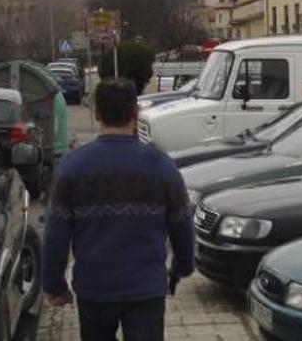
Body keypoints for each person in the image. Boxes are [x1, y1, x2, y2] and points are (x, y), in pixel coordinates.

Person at [42, 77, 194, 341]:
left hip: (94, 289)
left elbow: (55, 235)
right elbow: (182, 225)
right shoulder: (162, 167)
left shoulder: (71, 167)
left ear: (98, 113)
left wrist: (54, 286)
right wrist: (181, 268)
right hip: (146, 288)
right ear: (136, 112)